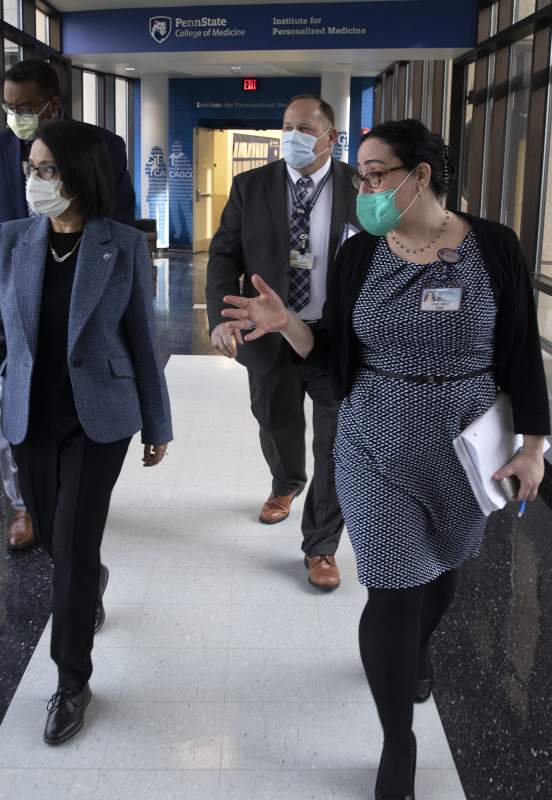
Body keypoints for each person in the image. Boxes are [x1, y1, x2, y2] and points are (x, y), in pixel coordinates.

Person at [219, 119, 550, 799]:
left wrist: (534, 448)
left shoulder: (494, 247)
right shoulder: (360, 253)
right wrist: (289, 325)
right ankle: (398, 740)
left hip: (466, 445)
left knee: (443, 577)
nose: (364, 188)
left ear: (420, 175)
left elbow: (520, 351)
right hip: (374, 436)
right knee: (394, 588)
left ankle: (417, 651)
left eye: (376, 174)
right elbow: (335, 349)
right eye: (361, 175)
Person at [0, 120, 171, 745]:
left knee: (73, 546)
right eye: (30, 168)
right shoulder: (10, 241)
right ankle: (92, 580)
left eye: (46, 170)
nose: (33, 180)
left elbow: (141, 339)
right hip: (30, 415)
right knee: (56, 538)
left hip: (98, 419)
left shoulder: (123, 244)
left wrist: (158, 423)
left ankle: (71, 680)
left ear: (79, 175)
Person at [0, 58, 136, 552]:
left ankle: (66, 507)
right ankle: (24, 505)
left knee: (76, 410)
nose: (14, 115)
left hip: (79, 295)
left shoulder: (102, 147)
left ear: (52, 105)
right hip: (14, 305)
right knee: (9, 405)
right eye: (7, 106)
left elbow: (118, 226)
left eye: (24, 107)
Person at [205, 94, 360, 591]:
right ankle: (286, 482)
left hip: (332, 336)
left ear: (331, 137)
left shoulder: (359, 187)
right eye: (287, 126)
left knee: (337, 443)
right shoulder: (252, 186)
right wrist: (220, 318)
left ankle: (321, 545)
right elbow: (224, 254)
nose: (291, 137)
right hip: (268, 333)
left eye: (304, 128)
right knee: (276, 421)